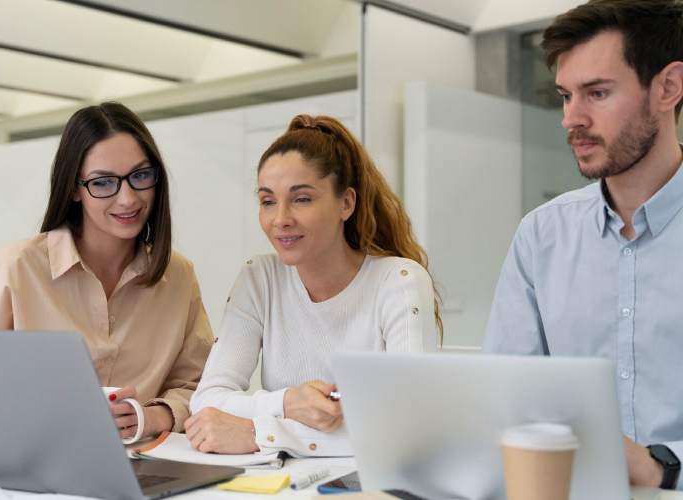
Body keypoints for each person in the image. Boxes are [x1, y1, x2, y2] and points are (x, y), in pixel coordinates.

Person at [483, 0, 683, 490]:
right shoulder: (540, 236)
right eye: (565, 96)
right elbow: (504, 402)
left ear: (668, 88)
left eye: (596, 92)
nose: (571, 119)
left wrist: (661, 464)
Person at [185, 115, 441, 457]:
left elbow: (412, 425)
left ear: (346, 203)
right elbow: (207, 400)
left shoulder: (399, 282)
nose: (280, 219)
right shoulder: (259, 279)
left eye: (302, 199)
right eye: (267, 201)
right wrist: (289, 402)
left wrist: (260, 434)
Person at [0, 102, 214, 440]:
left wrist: (153, 416)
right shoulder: (14, 269)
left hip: (143, 465)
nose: (128, 198)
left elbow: (200, 384)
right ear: (74, 188)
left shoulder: (178, 275)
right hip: (30, 462)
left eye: (140, 176)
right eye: (103, 182)